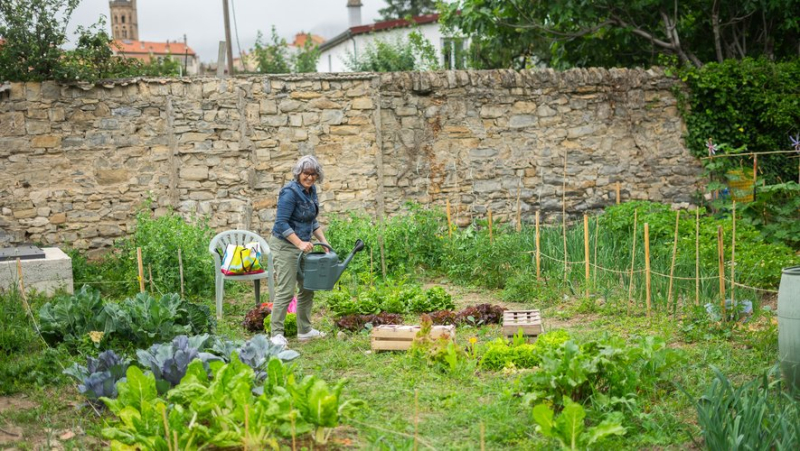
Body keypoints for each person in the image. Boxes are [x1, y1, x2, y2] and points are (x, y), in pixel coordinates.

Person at [269, 155, 329, 347]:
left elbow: (312, 221)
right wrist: (299, 244)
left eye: (313, 174)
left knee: (307, 287)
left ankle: (304, 330)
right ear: (298, 173)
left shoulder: (311, 192)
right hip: (285, 246)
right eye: (306, 173)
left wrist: (324, 242)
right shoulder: (289, 192)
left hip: (303, 246)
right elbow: (281, 223)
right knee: (286, 291)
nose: (310, 177)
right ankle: (276, 334)